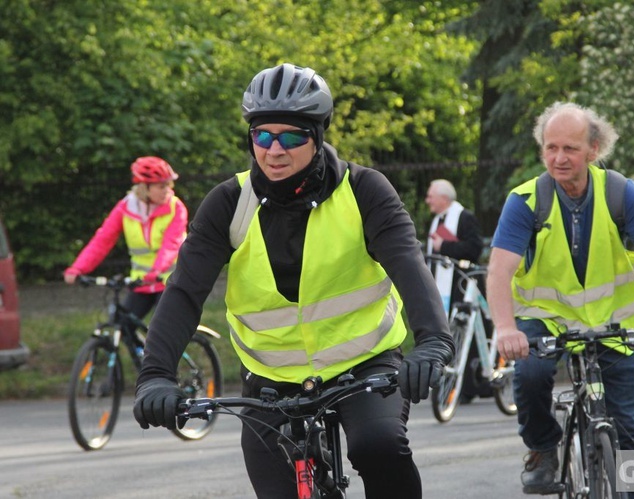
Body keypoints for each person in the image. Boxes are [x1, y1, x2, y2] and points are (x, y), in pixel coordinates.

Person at [132, 63, 453, 499]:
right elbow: (185, 291)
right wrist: (155, 376)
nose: (274, 150)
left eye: (291, 137)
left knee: (378, 448)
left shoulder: (364, 191)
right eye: (263, 136)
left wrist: (433, 341)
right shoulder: (228, 204)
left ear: (318, 136)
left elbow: (408, 265)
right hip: (269, 380)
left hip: (364, 364)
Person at [486, 102, 634, 496]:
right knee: (530, 374)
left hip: (614, 322)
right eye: (551, 147)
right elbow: (499, 271)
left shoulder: (621, 194)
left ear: (594, 149)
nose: (559, 158)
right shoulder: (525, 200)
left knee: (628, 431)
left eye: (570, 149)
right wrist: (506, 328)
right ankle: (543, 448)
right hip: (547, 318)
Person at [64, 156, 186, 327]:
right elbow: (102, 240)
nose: (168, 190)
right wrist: (78, 268)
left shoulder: (176, 208)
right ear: (144, 188)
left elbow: (171, 245)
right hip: (141, 282)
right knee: (122, 325)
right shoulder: (125, 208)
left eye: (168, 185)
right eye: (161, 186)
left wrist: (156, 271)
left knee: (161, 332)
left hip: (170, 281)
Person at [425, 178, 487, 402]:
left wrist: (446, 247)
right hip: (441, 287)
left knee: (463, 335)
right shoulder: (437, 221)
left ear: (443, 197)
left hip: (461, 286)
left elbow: (474, 249)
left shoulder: (464, 218)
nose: (427, 200)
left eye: (430, 195)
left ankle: (468, 387)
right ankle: (447, 383)